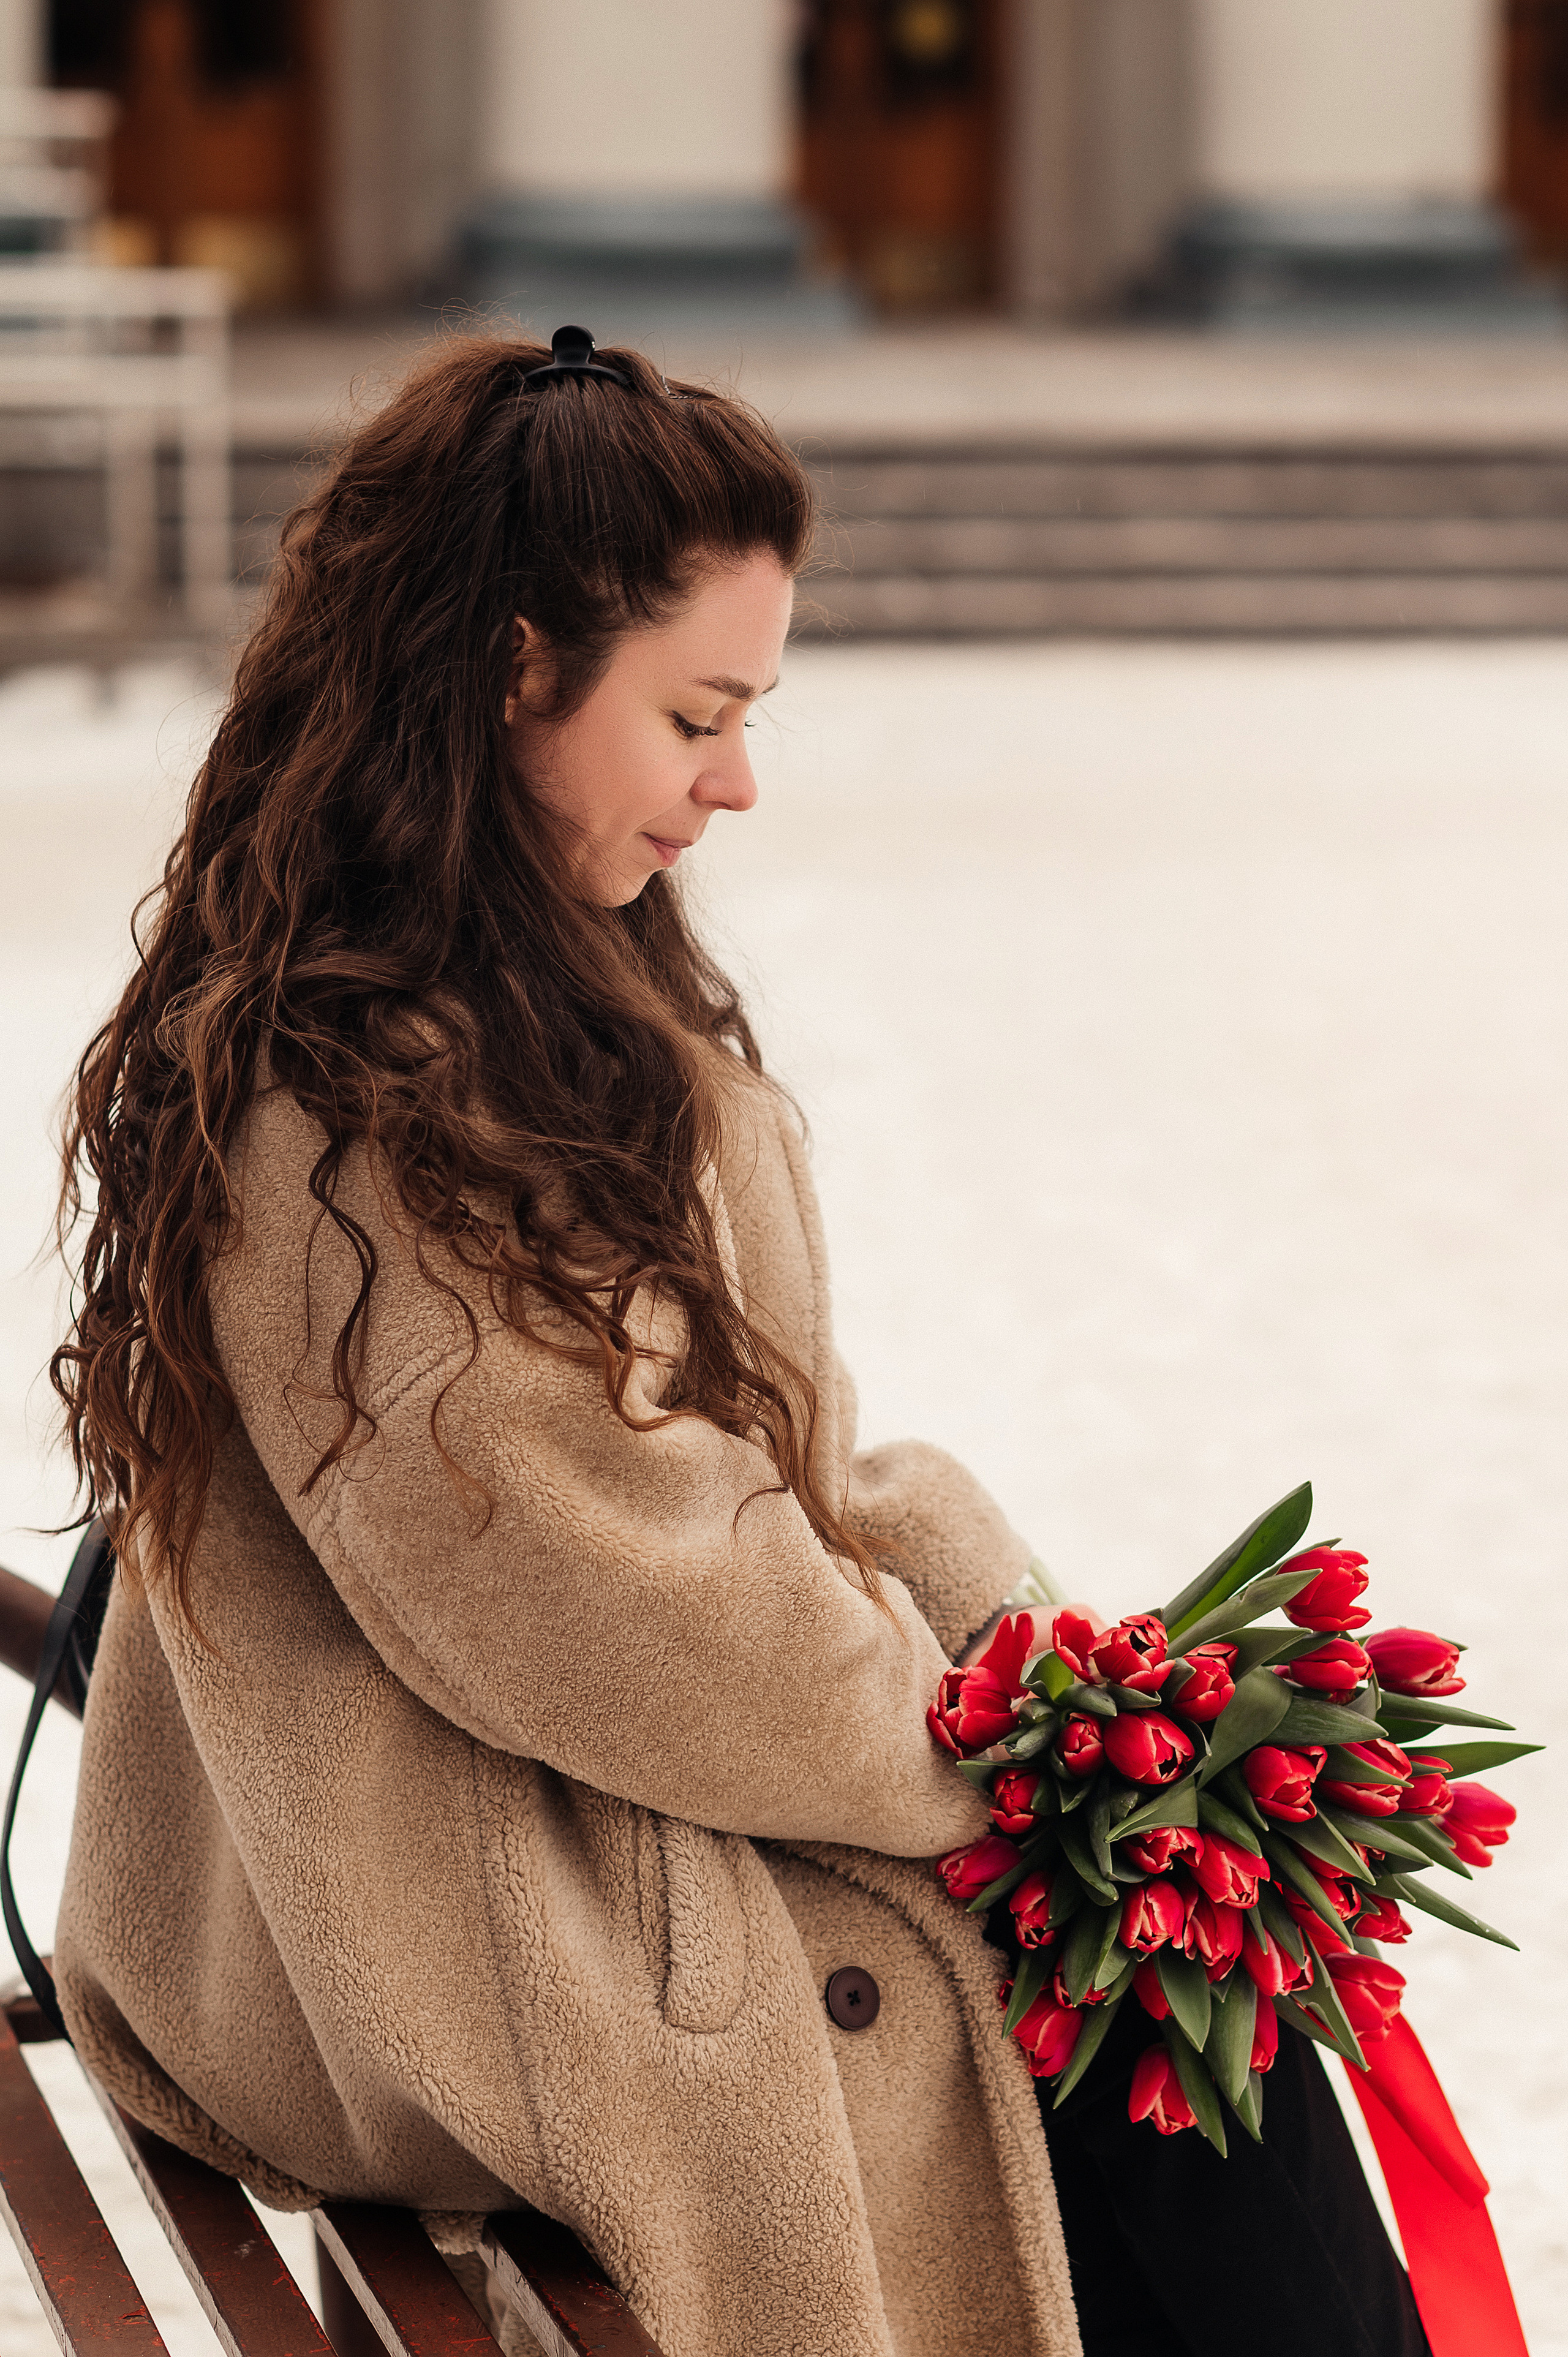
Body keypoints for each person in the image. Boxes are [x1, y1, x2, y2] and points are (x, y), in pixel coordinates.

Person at [45, 328, 1427, 2357]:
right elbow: (614, 1596)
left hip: (541, 1791)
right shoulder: (362, 1104)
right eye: (698, 712)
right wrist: (1029, 1786)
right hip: (448, 1908)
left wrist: (1063, 1681)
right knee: (1135, 2033)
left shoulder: (518, 989)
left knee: (1178, 2010)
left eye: (752, 713)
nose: (739, 779)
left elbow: (763, 1489)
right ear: (516, 669)